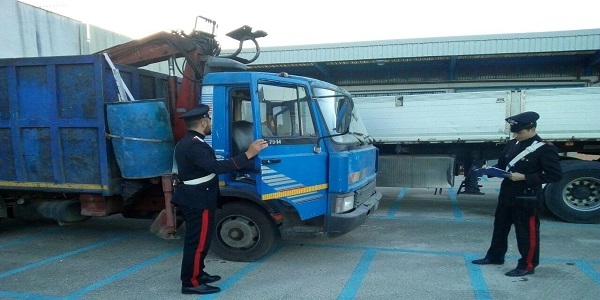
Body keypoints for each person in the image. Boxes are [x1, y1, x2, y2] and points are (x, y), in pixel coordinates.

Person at [171, 104, 268, 294]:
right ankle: (191, 283)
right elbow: (216, 167)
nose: (210, 125)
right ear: (203, 122)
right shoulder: (193, 145)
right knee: (197, 243)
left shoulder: (192, 141)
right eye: (208, 122)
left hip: (198, 197)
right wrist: (249, 154)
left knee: (202, 241)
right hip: (197, 200)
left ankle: (198, 273)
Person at [471, 111, 562, 277]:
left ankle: (527, 264)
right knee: (500, 229)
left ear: (532, 129)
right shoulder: (513, 144)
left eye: (519, 132)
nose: (516, 135)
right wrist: (490, 171)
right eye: (514, 132)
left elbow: (555, 175)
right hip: (507, 195)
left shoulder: (545, 149)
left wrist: (525, 177)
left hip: (526, 198)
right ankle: (495, 256)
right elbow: (503, 165)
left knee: (526, 233)